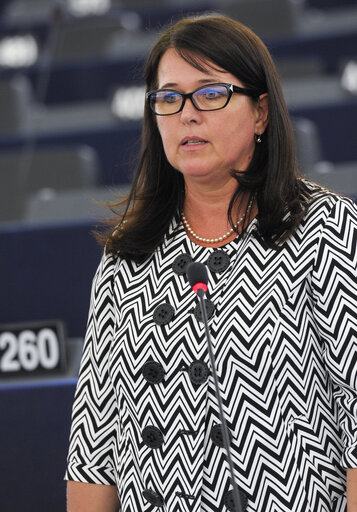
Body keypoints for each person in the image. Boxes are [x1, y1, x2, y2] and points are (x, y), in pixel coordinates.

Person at [65, 13, 357, 512]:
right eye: (169, 98)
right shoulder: (126, 255)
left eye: (211, 93)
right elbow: (92, 457)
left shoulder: (325, 227)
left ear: (261, 112)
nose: (187, 114)